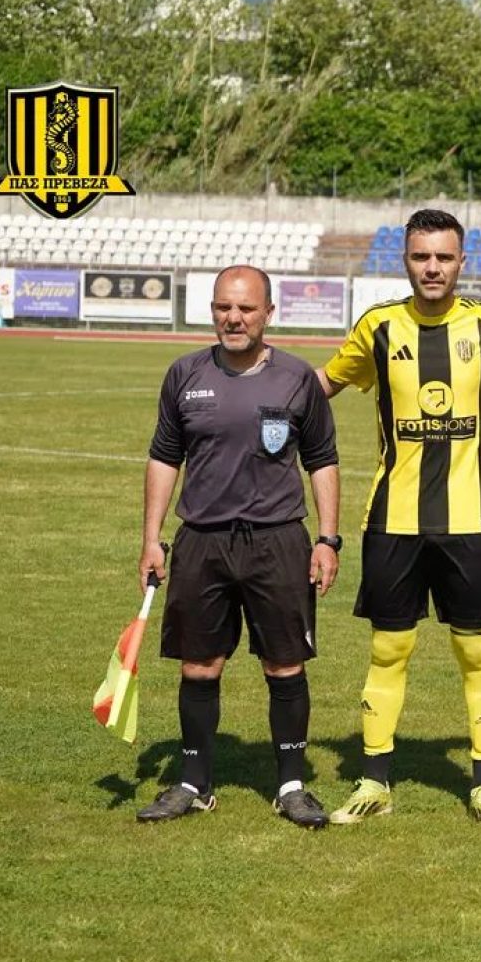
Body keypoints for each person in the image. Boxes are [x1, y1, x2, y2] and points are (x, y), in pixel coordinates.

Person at [316, 209, 481, 833]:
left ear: (462, 261)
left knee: (475, 651)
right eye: (421, 256)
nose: (433, 268)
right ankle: (375, 782)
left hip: (474, 519)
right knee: (388, 648)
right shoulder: (377, 327)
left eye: (444, 257)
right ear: (406, 260)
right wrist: (255, 393)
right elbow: (323, 385)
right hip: (393, 519)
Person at [136, 265, 341, 829]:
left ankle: (292, 786)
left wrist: (327, 539)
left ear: (268, 313)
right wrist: (151, 539)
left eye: (246, 309)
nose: (234, 318)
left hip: (278, 540)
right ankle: (193, 783)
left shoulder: (297, 378)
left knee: (285, 663)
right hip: (202, 541)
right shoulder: (184, 374)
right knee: (199, 666)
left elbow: (322, 461)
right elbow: (164, 457)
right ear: (212, 311)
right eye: (224, 307)